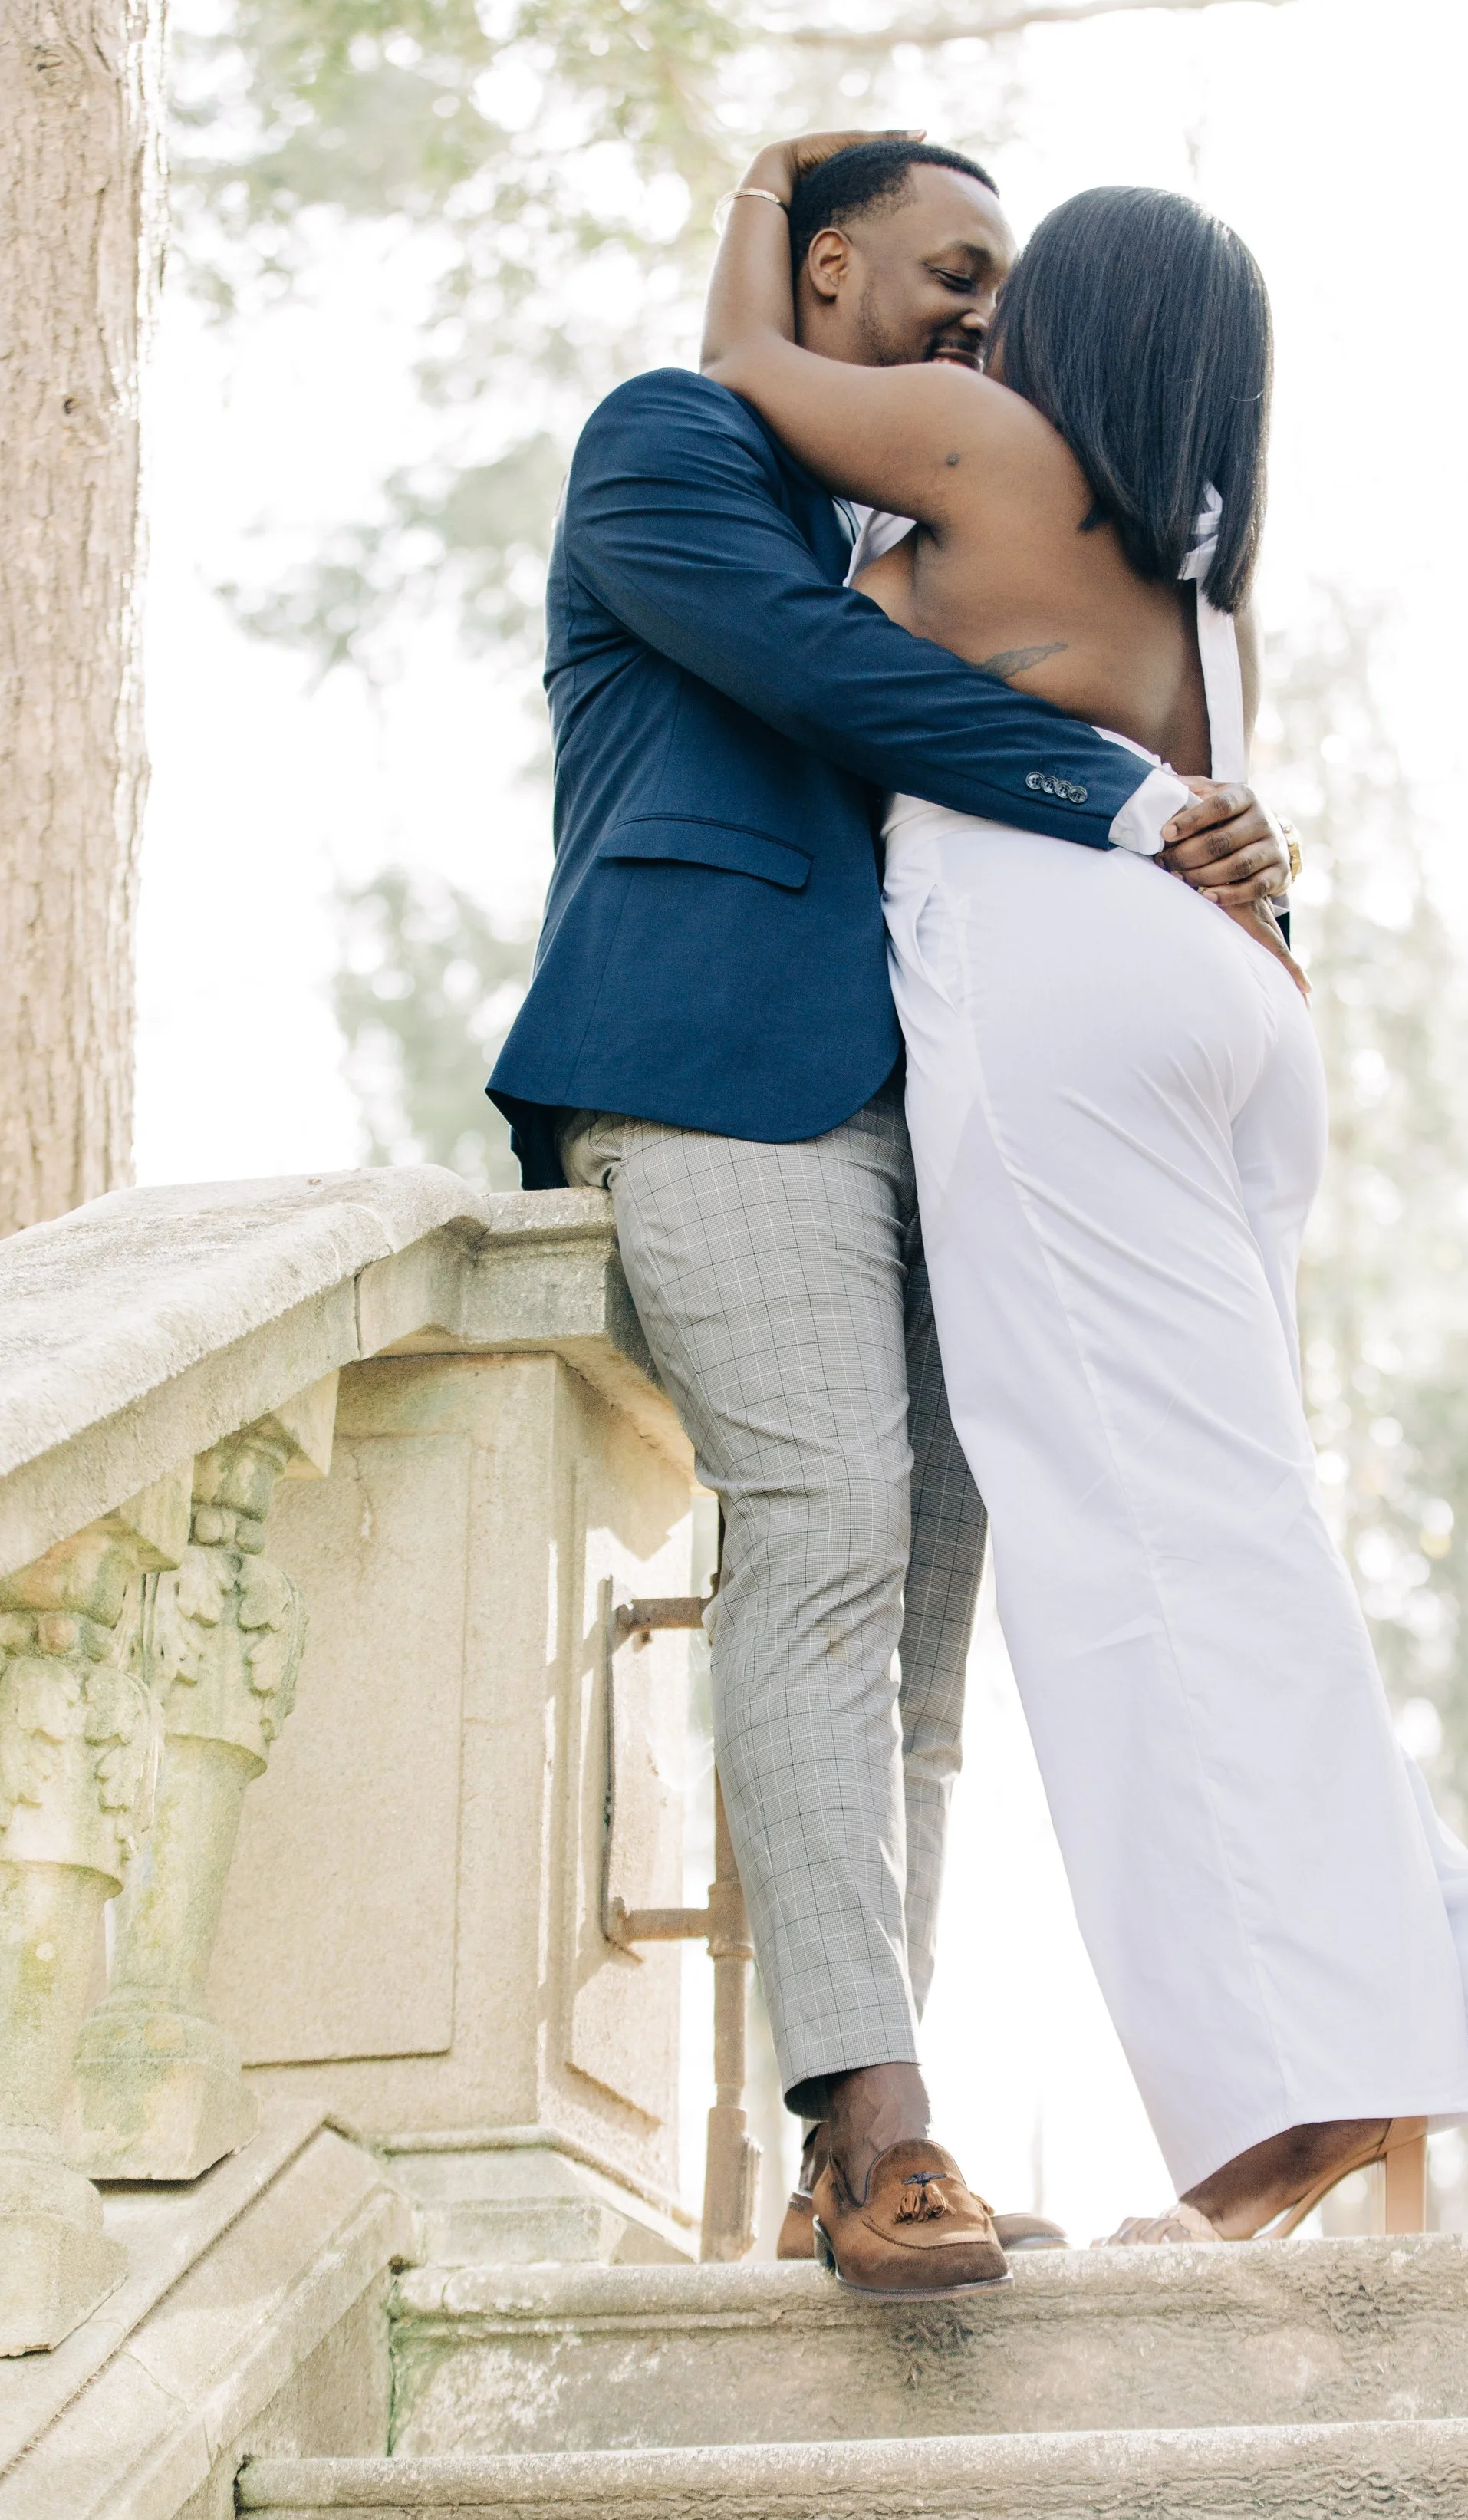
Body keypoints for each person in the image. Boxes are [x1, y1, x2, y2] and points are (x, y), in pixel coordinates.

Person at [700, 139, 1468, 2257]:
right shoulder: (1209, 604)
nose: (969, 324)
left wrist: (770, 189)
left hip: (1058, 1007)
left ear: (1066, 331)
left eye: (1004, 291)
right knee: (1230, 1524)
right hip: (1229, 1021)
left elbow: (745, 370)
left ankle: (1298, 2094)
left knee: (1118, 1552)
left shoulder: (981, 448)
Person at [489, 134, 1298, 2298]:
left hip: (950, 1114)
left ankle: (852, 2120)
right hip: (709, 1064)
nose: (978, 320)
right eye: (947, 274)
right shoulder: (668, 443)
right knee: (827, 1532)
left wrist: (1227, 854)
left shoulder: (952, 516)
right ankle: (878, 2128)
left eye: (1003, 294)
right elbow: (804, 672)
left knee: (926, 1646)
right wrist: (1137, 797)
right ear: (819, 260)